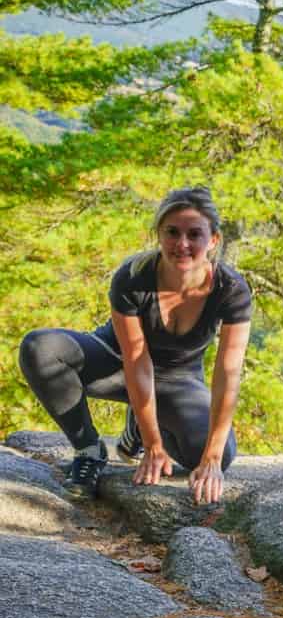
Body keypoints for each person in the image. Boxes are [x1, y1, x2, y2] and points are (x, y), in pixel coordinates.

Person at [18, 187, 252, 505]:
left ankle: (137, 429)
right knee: (40, 348)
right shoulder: (133, 276)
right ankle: (88, 449)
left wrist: (210, 459)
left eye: (194, 234)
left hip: (177, 380)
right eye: (172, 232)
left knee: (221, 453)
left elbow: (228, 372)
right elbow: (136, 360)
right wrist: (154, 444)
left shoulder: (231, 290)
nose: (182, 244)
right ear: (158, 234)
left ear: (213, 240)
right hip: (114, 362)